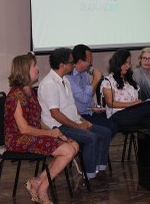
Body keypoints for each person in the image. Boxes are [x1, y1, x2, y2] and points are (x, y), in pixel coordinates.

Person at [4, 53, 79, 204]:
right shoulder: (15, 96)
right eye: (34, 66)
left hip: (32, 135)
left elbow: (37, 121)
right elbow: (24, 129)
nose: (37, 69)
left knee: (74, 144)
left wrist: (57, 133)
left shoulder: (30, 92)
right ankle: (43, 189)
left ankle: (38, 181)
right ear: (25, 70)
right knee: (68, 150)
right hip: (18, 139)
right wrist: (51, 133)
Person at [38, 48, 113, 192]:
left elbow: (71, 107)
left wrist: (82, 120)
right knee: (91, 138)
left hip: (72, 121)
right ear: (62, 65)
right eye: (71, 62)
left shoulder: (64, 79)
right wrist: (78, 127)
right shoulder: (49, 84)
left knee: (105, 132)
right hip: (58, 127)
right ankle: (89, 178)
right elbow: (55, 114)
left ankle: (99, 172)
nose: (73, 65)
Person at [101, 49, 150, 128]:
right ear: (118, 63)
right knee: (149, 107)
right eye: (125, 63)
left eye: (129, 63)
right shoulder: (108, 81)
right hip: (117, 116)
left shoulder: (129, 80)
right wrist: (132, 104)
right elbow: (110, 103)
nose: (128, 66)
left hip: (132, 113)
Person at [66, 44, 118, 138]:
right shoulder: (68, 77)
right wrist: (96, 80)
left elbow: (88, 96)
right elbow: (84, 98)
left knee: (113, 125)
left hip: (89, 112)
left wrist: (94, 106)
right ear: (80, 61)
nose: (91, 64)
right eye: (89, 61)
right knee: (106, 130)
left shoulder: (84, 74)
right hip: (79, 116)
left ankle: (100, 151)